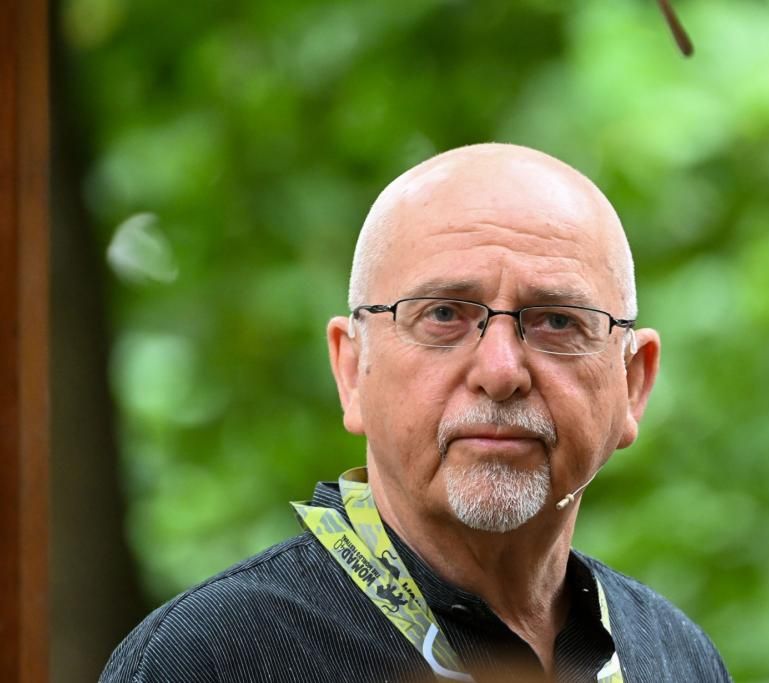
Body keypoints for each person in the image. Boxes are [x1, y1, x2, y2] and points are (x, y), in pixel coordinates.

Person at [102, 144, 731, 682]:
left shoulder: (676, 659)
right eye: (443, 315)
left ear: (632, 383)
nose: (501, 372)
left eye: (558, 322)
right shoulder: (212, 660)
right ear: (352, 369)